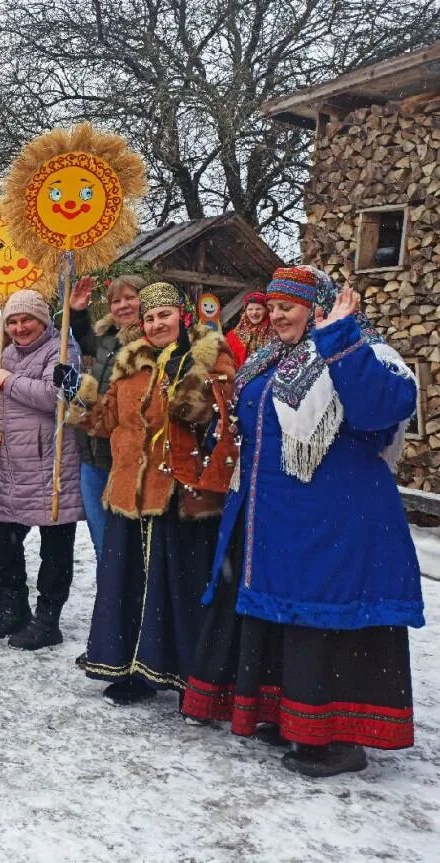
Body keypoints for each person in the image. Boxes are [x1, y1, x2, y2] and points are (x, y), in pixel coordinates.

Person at [182, 266, 423, 778]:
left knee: (324, 618)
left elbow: (382, 408)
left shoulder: (366, 351)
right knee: (284, 619)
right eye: (271, 306)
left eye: (288, 305)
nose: (277, 315)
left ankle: (336, 737)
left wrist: (339, 337)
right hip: (276, 519)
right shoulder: (273, 358)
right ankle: (285, 714)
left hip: (338, 521)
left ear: (320, 306)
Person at [69, 282, 237, 704]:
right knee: (131, 585)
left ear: (181, 314)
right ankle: (134, 671)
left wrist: (186, 390)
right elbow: (105, 422)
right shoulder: (129, 363)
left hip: (183, 492)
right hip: (129, 488)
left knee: (180, 587)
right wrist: (78, 394)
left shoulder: (209, 355)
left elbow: (218, 412)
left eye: (164, 315)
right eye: (149, 317)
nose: (157, 324)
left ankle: (190, 678)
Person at [0, 289, 84, 650]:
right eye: (13, 321)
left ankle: (48, 619)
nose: (20, 327)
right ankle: (15, 608)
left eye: (27, 320)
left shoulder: (62, 349)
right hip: (9, 465)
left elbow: (59, 395)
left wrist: (10, 381)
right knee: (4, 545)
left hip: (50, 463)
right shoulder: (4, 355)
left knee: (54, 548)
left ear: (43, 321)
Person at [68, 274, 145, 556]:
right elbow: (85, 338)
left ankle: (131, 599)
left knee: (128, 549)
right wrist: (77, 310)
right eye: (116, 301)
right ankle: (110, 599)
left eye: (130, 298)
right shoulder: (109, 339)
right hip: (93, 457)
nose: (123, 306)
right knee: (103, 545)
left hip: (125, 460)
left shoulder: (153, 342)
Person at [225, 291, 271, 368]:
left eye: (258, 309)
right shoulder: (233, 336)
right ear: (245, 311)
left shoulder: (276, 332)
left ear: (266, 310)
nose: (254, 313)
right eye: (250, 309)